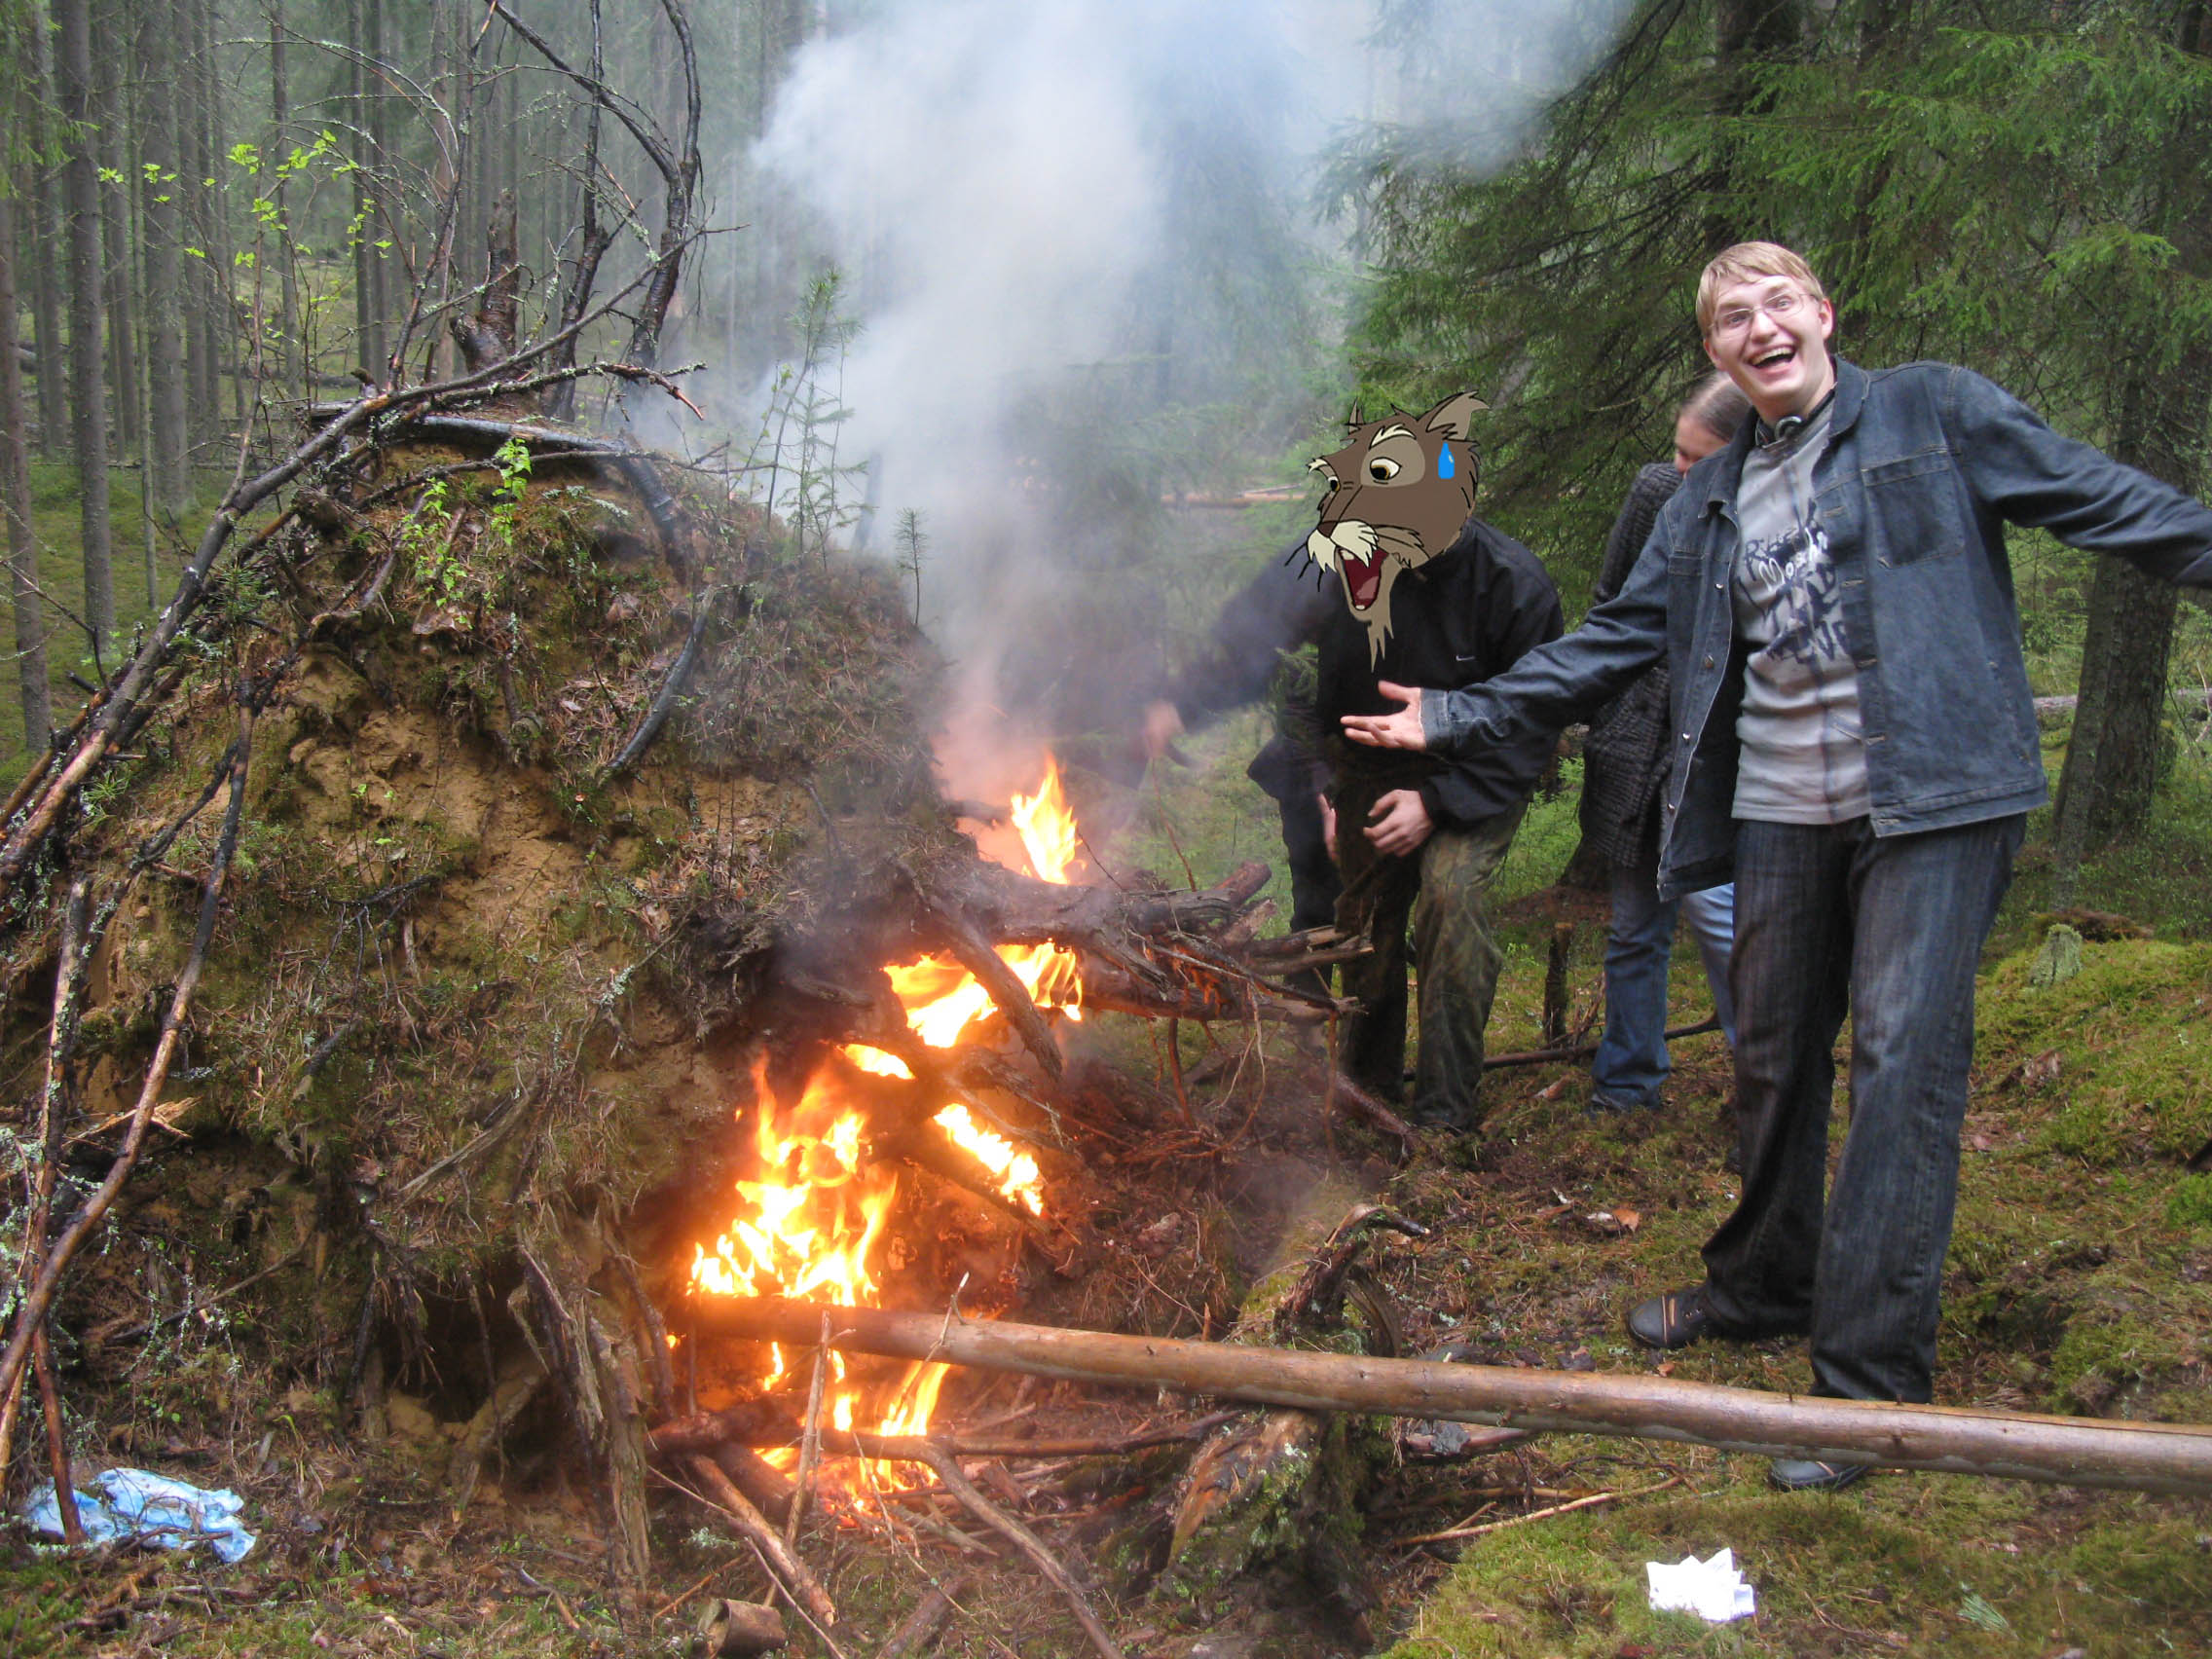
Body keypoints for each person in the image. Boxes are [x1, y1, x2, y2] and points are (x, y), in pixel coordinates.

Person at [1341, 241, 2212, 1490]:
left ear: (1822, 315)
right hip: (1784, 808)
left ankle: (1868, 1394)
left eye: (1777, 303)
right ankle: (1763, 1284)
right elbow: (1616, 640)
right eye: (1731, 318)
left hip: (1935, 794)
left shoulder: (1932, 411)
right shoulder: (1706, 498)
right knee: (1770, 1047)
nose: (1759, 328)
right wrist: (1459, 715)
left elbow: (2104, 500)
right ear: (1716, 353)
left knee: (1899, 1062)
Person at [1148, 392, 1562, 1131]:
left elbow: (1533, 724)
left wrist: (1438, 803)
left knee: (1450, 899)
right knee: (1365, 927)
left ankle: (1444, 1114)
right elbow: (1253, 633)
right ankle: (1369, 1095)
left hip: (1476, 772)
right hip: (1370, 768)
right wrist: (1181, 704)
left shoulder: (1513, 586)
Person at [1582, 373, 1751, 1114]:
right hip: (1638, 747)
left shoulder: (1768, 513)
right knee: (1633, 927)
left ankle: (1766, 1088)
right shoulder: (1655, 492)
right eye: (1677, 451)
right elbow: (1611, 609)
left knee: (1726, 923)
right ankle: (1627, 1087)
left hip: (1717, 755)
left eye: (1698, 458)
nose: (1680, 470)